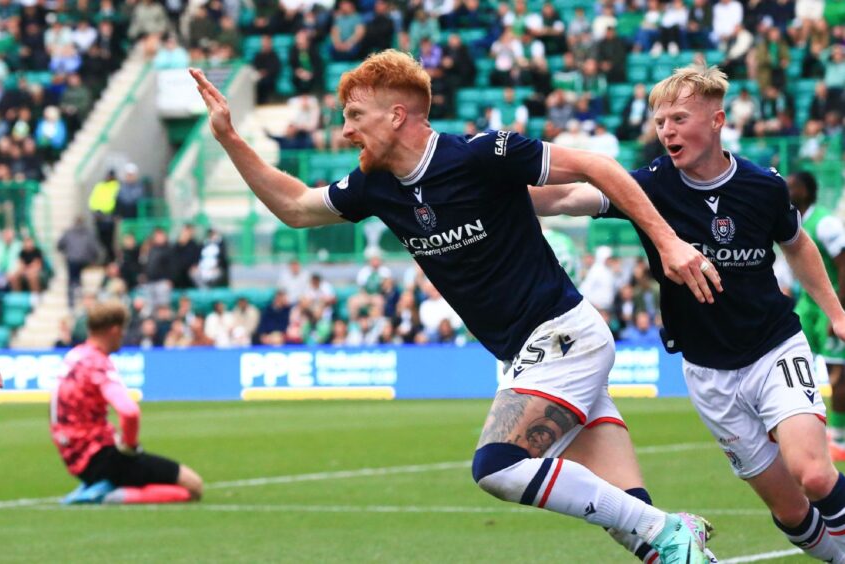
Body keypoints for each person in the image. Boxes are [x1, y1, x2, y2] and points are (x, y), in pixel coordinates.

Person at [189, 51, 721, 562]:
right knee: (632, 521)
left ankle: (667, 529)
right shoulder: (376, 186)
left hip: (561, 336)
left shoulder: (480, 155)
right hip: (524, 352)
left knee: (499, 466)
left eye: (355, 115)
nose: (345, 130)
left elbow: (597, 167)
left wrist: (670, 242)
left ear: (397, 115)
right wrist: (229, 138)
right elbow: (296, 207)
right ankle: (674, 534)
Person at [534, 63, 845, 562]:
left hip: (773, 347)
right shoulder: (649, 186)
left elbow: (798, 244)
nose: (667, 131)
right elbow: (571, 195)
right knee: (790, 510)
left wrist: (837, 313)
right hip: (707, 372)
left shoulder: (763, 185)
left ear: (718, 120)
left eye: (679, 118)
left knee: (812, 472)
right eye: (660, 122)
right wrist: (495, 193)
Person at [50, 301, 203, 504]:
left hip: (73, 458)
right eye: (122, 330)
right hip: (100, 457)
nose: (123, 335)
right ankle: (107, 496)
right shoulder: (98, 363)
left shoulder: (74, 356)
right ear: (114, 330)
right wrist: (130, 447)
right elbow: (129, 412)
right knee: (193, 487)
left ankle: (100, 485)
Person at [787, 171, 845, 462]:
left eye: (792, 186)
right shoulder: (792, 221)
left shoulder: (826, 222)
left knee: (838, 374)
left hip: (830, 302)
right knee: (796, 366)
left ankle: (841, 437)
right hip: (806, 305)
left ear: (807, 192)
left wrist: (840, 312)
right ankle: (808, 429)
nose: (787, 190)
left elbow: (844, 265)